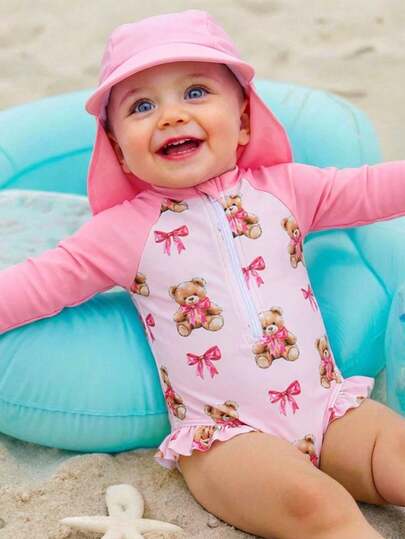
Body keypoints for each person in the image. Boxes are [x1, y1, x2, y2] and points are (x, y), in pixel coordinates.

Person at [1, 9, 405, 539]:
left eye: (195, 92)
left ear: (244, 120)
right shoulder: (122, 232)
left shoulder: (287, 189)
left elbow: (373, 189)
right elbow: (37, 284)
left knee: (397, 451)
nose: (171, 115)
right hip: (226, 439)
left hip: (328, 406)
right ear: (119, 149)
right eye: (142, 106)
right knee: (315, 507)